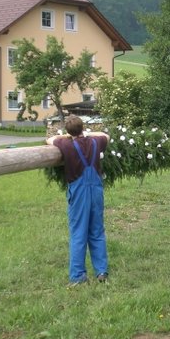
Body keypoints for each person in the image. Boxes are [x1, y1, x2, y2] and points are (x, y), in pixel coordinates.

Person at [46, 115, 110, 286]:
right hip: (96, 190)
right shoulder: (96, 142)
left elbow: (50, 139)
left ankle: (78, 275)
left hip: (79, 192)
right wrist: (88, 133)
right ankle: (102, 271)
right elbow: (106, 135)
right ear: (83, 128)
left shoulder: (66, 144)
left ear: (68, 131)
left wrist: (65, 136)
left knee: (78, 233)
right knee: (97, 231)